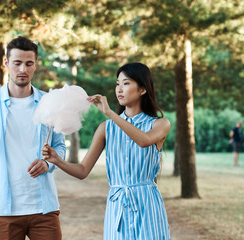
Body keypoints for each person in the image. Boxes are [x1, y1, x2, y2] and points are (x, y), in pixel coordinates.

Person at [42, 62, 171, 239]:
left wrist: (110, 112)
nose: (119, 89)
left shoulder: (159, 124)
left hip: (147, 205)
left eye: (126, 83)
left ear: (142, 89)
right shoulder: (106, 128)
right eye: (117, 84)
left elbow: (144, 141)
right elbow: (82, 171)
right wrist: (57, 160)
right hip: (117, 206)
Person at [0, 36, 66, 240]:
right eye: (17, 63)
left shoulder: (48, 102)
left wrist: (48, 164)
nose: (23, 69)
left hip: (44, 208)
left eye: (29, 63)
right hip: (3, 210)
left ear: (35, 65)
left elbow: (60, 146)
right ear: (6, 63)